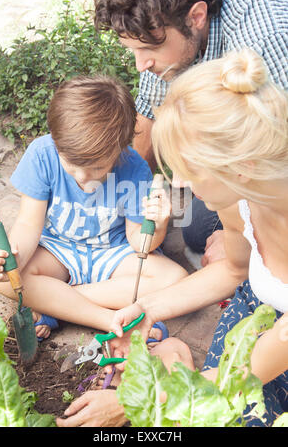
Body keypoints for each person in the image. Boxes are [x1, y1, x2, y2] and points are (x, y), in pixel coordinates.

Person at [57, 49, 288, 427]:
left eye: (190, 171)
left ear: (243, 166)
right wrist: (148, 309)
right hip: (258, 310)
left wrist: (138, 401)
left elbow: (252, 372)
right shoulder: (238, 196)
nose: (180, 185)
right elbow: (234, 270)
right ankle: (175, 351)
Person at [94, 0, 288, 261]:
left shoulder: (266, 40)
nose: (140, 64)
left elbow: (278, 156)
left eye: (149, 49)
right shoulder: (165, 27)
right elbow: (150, 113)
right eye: (133, 50)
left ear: (196, 17)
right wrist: (125, 193)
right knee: (198, 228)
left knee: (206, 231)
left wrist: (249, 236)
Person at [0, 75, 187, 340]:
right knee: (2, 279)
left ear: (119, 151)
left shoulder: (134, 167)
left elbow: (140, 245)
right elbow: (27, 225)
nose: (83, 178)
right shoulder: (42, 154)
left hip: (114, 253)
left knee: (176, 280)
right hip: (59, 250)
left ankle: (56, 306)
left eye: (97, 168)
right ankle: (111, 319)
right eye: (72, 165)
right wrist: (15, 261)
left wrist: (158, 226)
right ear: (57, 143)